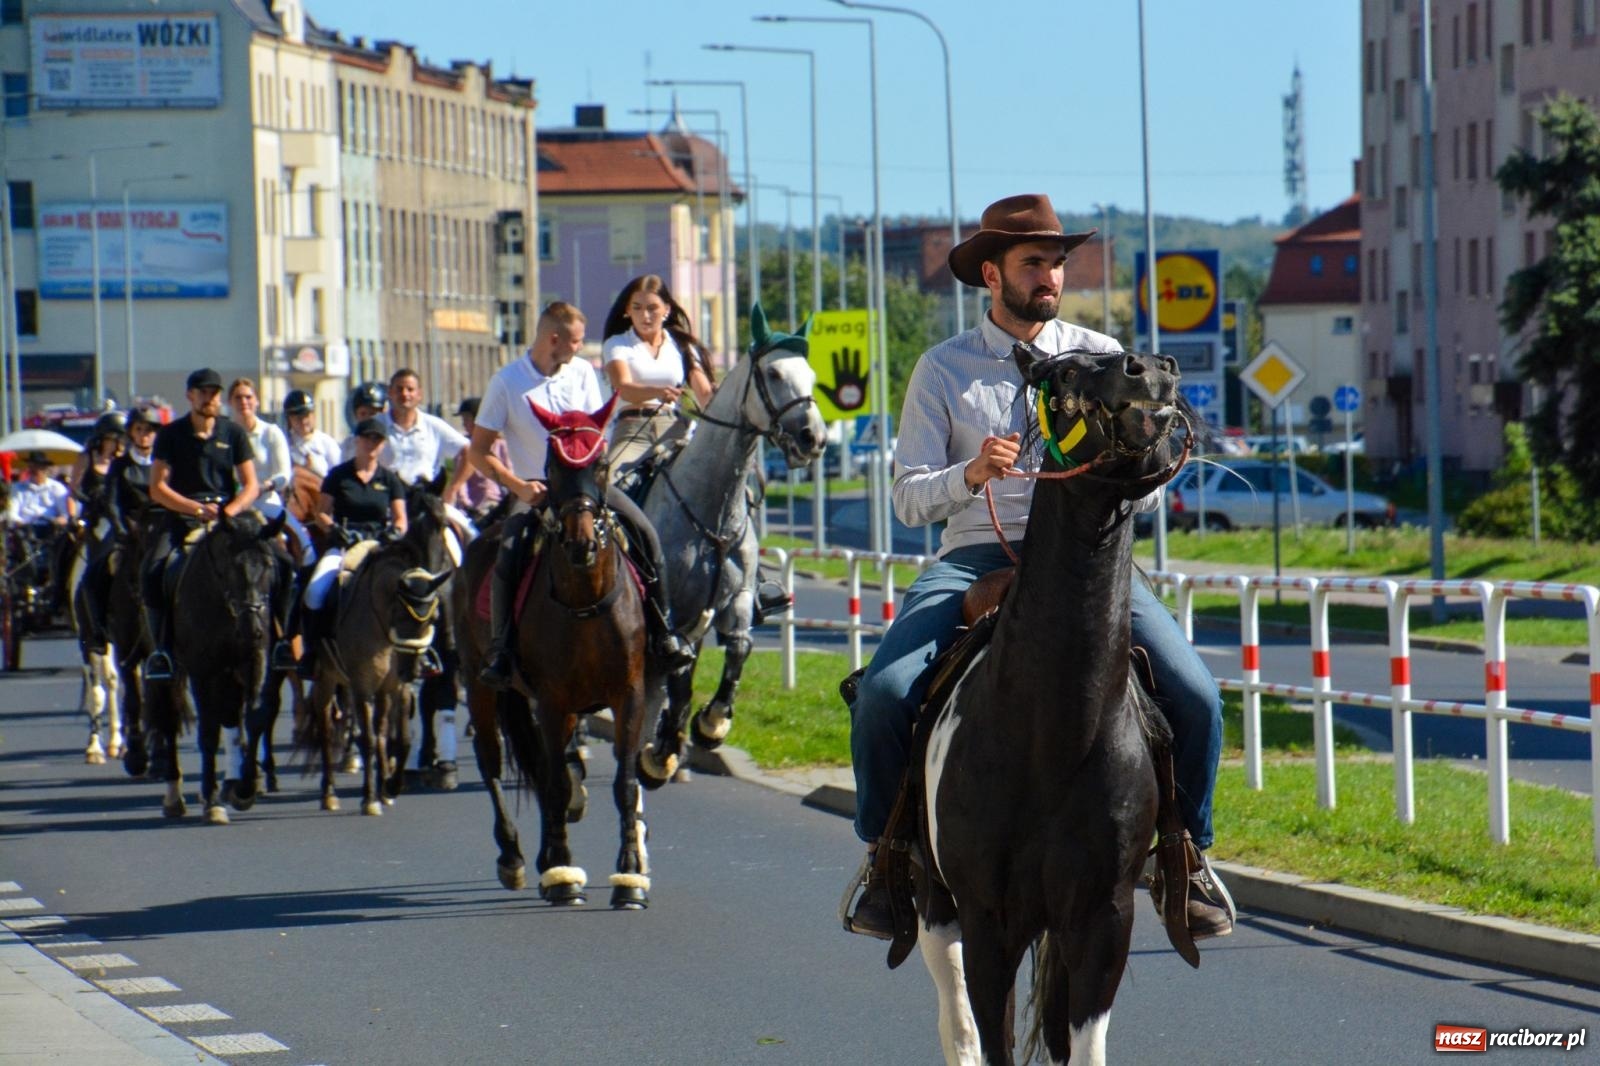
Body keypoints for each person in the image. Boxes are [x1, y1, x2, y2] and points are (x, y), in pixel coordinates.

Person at [843, 194, 1231, 941]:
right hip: (973, 558)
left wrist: (1134, 466)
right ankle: (887, 860)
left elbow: (1143, 496)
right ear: (992, 273)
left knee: (1198, 696)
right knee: (887, 695)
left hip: (1088, 560)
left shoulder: (1103, 357)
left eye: (1057, 261)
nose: (1050, 274)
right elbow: (905, 500)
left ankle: (1187, 855)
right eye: (1033, 262)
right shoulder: (943, 369)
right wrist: (969, 476)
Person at [471, 301, 693, 690]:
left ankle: (663, 632)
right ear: (553, 339)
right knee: (507, 555)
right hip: (536, 491)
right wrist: (518, 486)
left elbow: (598, 436)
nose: (580, 348)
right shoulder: (506, 383)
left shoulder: (583, 375)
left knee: (645, 534)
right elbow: (478, 450)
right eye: (575, 341)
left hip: (589, 489)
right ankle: (502, 649)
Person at [140, 367, 285, 682]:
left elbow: (249, 485)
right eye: (203, 392)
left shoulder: (232, 432)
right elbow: (158, 488)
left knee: (279, 561)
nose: (210, 398)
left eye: (215, 393)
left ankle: (282, 642)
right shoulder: (170, 434)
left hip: (227, 517)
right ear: (190, 396)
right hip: (182, 516)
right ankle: (161, 651)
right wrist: (195, 508)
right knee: (153, 570)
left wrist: (227, 512)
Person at [292, 416, 409, 680]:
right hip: (345, 545)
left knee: (411, 589)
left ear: (383, 445)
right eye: (367, 437)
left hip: (378, 547)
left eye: (377, 439)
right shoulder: (338, 475)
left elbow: (401, 519)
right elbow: (321, 513)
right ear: (357, 440)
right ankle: (312, 652)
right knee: (314, 591)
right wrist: (334, 529)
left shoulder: (390, 480)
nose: (371, 443)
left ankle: (419, 653)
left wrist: (395, 532)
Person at [600, 275, 715, 481]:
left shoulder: (683, 346)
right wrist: (658, 392)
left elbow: (705, 394)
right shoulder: (617, 344)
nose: (645, 315)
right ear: (627, 310)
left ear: (666, 310)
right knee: (609, 485)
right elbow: (624, 388)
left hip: (676, 428)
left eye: (652, 308)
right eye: (637, 307)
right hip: (632, 430)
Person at [80, 407, 160, 653]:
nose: (144, 435)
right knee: (93, 575)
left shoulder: (163, 462)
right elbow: (112, 503)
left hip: (161, 529)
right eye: (139, 430)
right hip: (130, 532)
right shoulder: (121, 466)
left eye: (149, 430)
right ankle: (98, 630)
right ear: (131, 433)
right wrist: (122, 530)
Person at [228, 378, 292, 512]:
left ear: (257, 401)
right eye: (238, 398)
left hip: (267, 502)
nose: (243, 402)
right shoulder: (225, 435)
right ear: (230, 402)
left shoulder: (271, 432)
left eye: (248, 397)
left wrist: (264, 486)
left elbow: (284, 474)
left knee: (299, 533)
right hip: (233, 505)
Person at [449, 397, 508, 524]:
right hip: (473, 506)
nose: (464, 424)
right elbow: (460, 480)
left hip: (498, 502)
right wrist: (466, 503)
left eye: (467, 419)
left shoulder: (501, 445)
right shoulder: (464, 447)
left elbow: (510, 472)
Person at [70, 412, 126, 500]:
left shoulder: (123, 460)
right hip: (93, 510)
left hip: (118, 511)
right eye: (122, 438)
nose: (124, 443)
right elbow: (73, 491)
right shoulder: (86, 458)